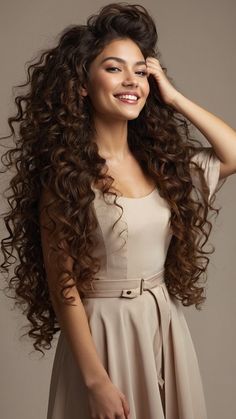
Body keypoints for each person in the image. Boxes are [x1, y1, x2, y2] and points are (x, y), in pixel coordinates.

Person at [1, 2, 235, 419]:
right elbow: (64, 286)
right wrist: (95, 381)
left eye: (140, 71)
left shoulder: (163, 166)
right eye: (114, 68)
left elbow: (232, 153)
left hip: (163, 326)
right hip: (102, 336)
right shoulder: (67, 176)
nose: (132, 80)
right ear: (81, 85)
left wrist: (174, 96)